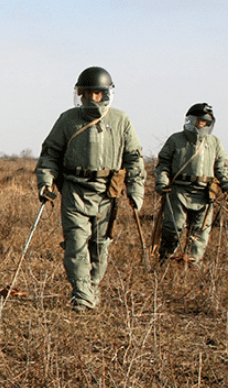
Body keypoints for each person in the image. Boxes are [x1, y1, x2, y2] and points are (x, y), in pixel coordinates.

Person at [35, 66, 146, 312]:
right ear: (80, 94)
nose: (92, 98)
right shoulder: (67, 119)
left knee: (100, 245)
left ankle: (92, 287)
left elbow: (134, 159)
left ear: (106, 93)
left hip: (108, 193)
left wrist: (136, 191)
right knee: (75, 243)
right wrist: (45, 181)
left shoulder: (121, 120)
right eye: (87, 93)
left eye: (97, 93)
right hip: (75, 190)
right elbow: (50, 153)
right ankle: (82, 295)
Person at [153, 103, 228, 263]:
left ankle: (192, 265)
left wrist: (227, 186)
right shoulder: (176, 139)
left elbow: (221, 168)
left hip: (204, 194)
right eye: (198, 120)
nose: (201, 124)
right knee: (173, 228)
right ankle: (165, 261)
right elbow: (163, 163)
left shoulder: (214, 143)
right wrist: (162, 181)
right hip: (178, 191)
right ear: (190, 120)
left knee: (200, 233)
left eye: (204, 122)